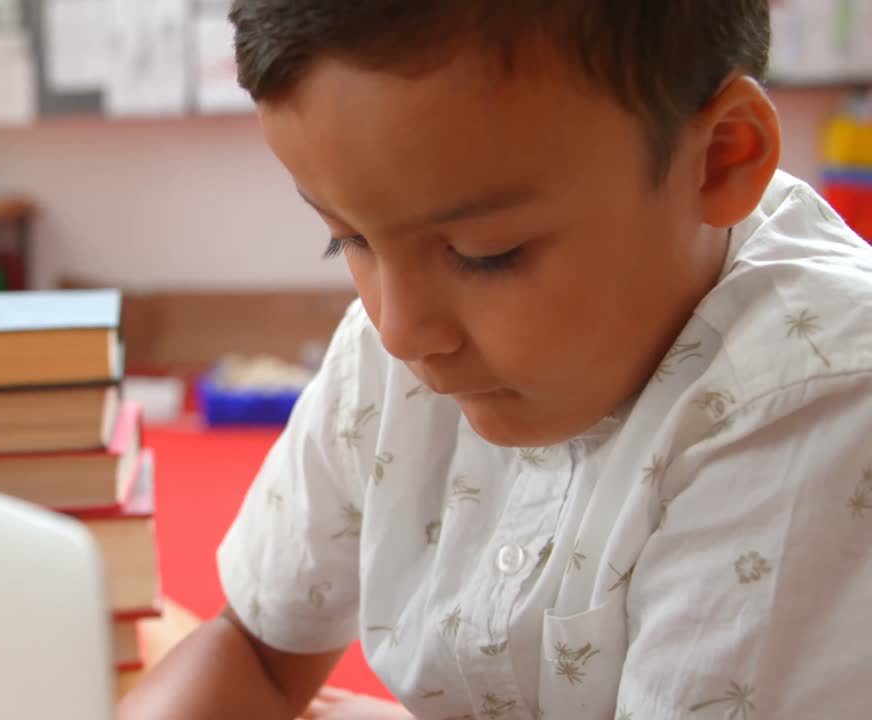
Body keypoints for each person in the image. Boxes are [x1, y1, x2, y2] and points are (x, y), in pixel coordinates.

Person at [119, 2, 872, 718]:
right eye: (347, 239)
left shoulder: (812, 399)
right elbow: (254, 651)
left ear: (718, 160)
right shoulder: (406, 333)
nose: (400, 331)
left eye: (487, 255)